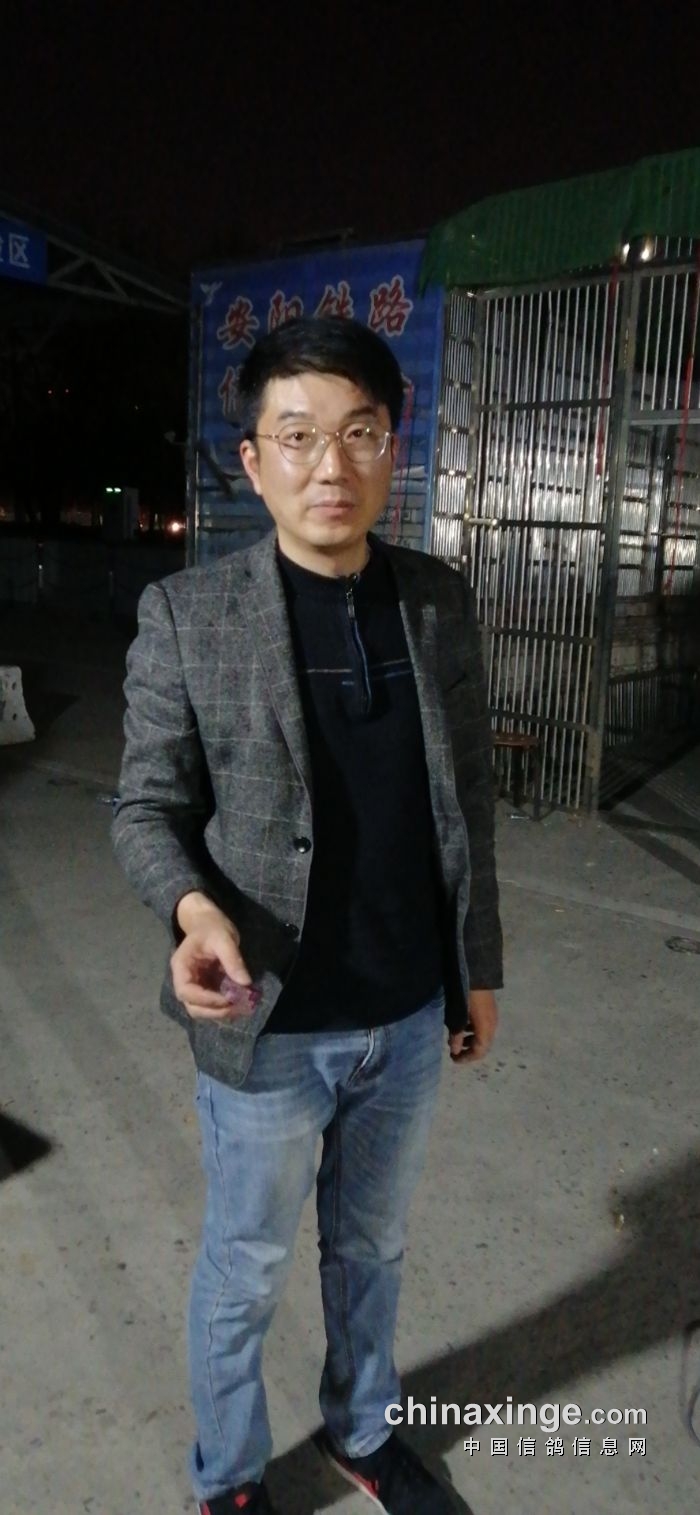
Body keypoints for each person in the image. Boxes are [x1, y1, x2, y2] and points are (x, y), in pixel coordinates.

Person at [113, 316, 503, 1515]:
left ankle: (362, 1434)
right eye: (297, 437)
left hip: (407, 1016)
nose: (330, 466)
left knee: (372, 1249)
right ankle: (230, 1480)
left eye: (358, 434)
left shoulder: (436, 601)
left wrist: (474, 970)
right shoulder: (190, 615)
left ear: (395, 447)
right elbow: (144, 808)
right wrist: (192, 910)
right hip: (268, 1021)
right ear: (253, 460)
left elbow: (465, 807)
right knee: (245, 1268)